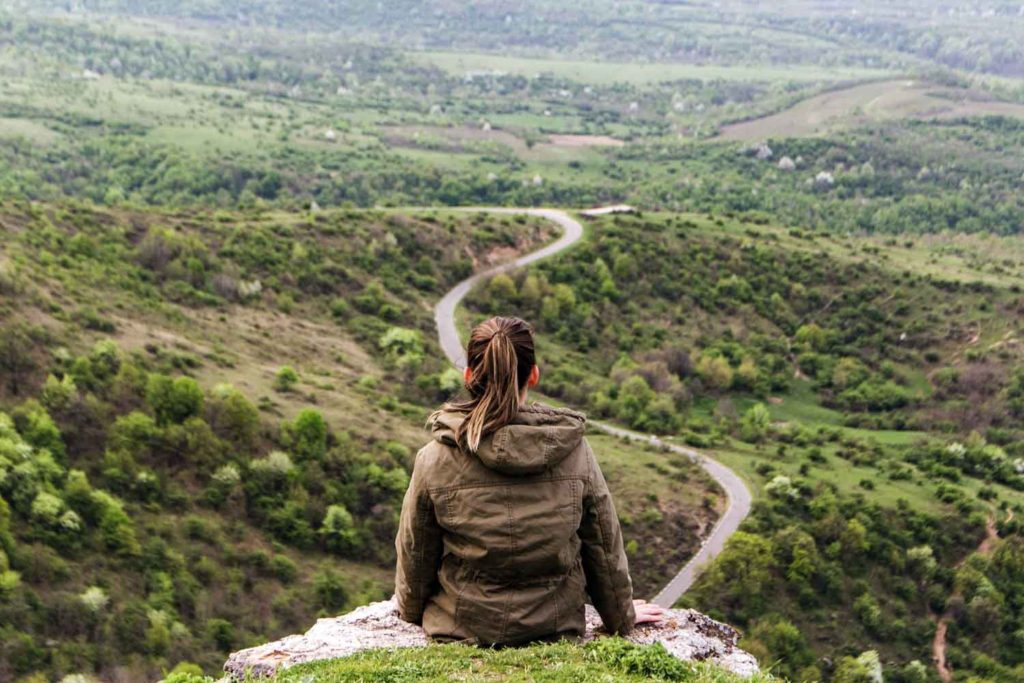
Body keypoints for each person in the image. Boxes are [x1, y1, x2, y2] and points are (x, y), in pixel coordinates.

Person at [395, 315, 664, 646]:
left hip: (460, 628)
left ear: (468, 376)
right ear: (533, 374)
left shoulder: (434, 458)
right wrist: (621, 618)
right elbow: (603, 547)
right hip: (554, 628)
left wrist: (409, 611)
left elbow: (416, 552)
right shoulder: (573, 450)